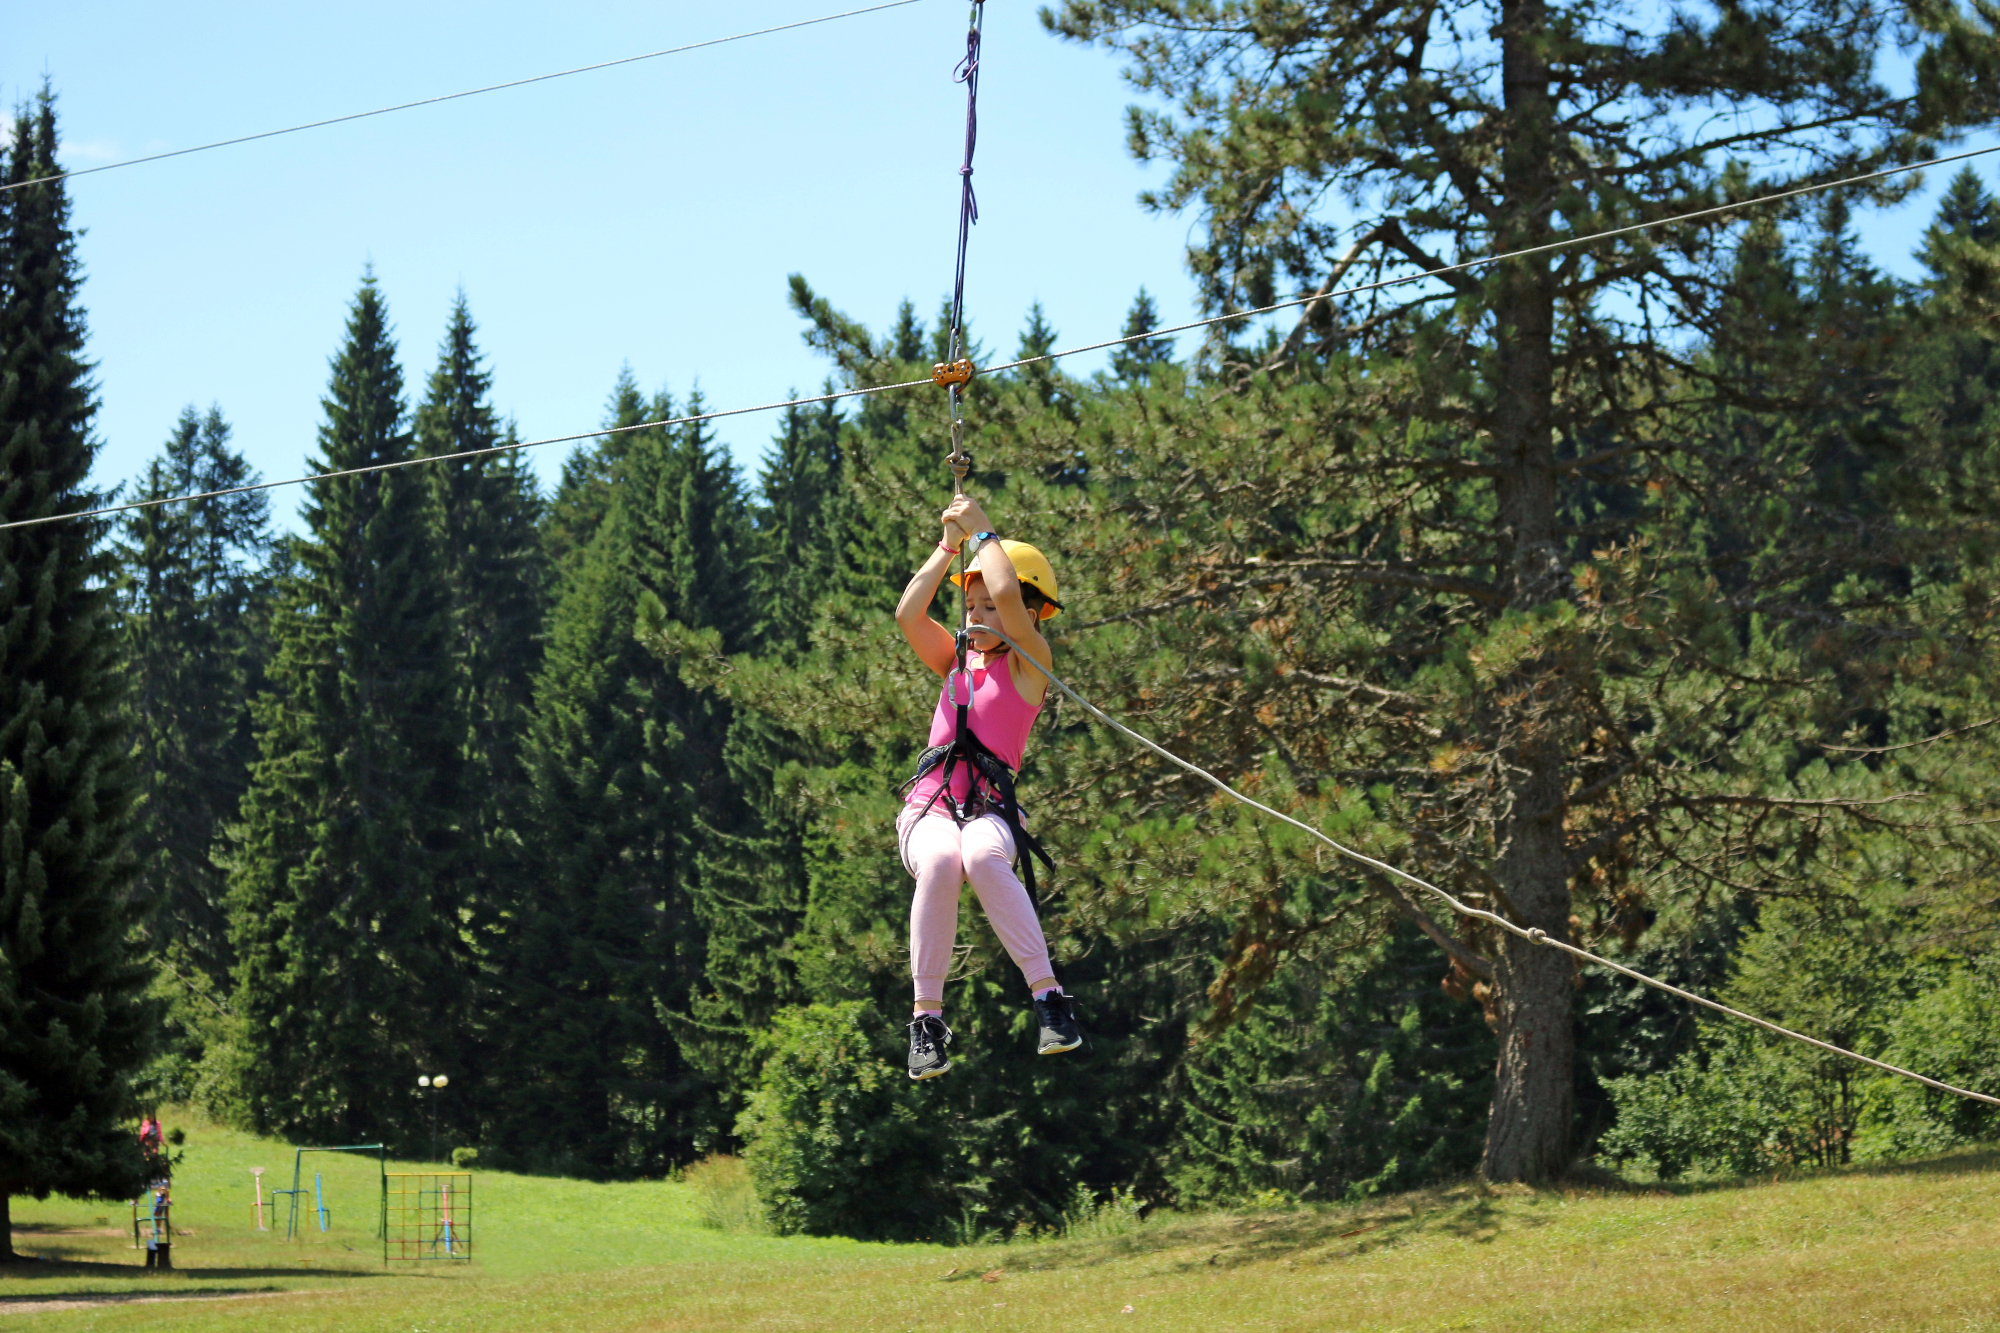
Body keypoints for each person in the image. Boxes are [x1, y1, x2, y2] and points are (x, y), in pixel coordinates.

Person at [892, 492, 1082, 1080]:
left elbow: (1007, 595)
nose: (977, 614)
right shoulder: (954, 661)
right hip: (931, 808)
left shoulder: (1031, 665)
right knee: (945, 859)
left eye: (990, 608)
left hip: (991, 810)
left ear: (1026, 614)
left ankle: (1049, 1000)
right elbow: (908, 614)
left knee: (979, 851)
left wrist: (983, 530)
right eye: (969, 605)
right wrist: (950, 544)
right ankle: (926, 1021)